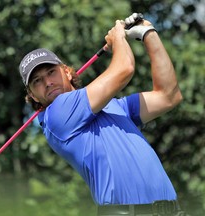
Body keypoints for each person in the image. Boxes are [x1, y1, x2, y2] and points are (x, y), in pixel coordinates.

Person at [19, 13, 186, 216]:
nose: (47, 82)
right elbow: (124, 69)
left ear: (68, 72)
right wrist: (118, 36)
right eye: (36, 81)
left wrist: (148, 33)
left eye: (51, 72)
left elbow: (169, 95)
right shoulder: (56, 115)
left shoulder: (114, 107)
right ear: (32, 96)